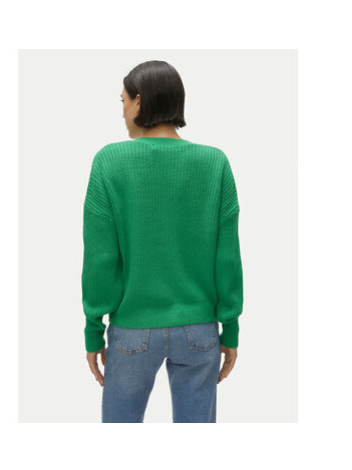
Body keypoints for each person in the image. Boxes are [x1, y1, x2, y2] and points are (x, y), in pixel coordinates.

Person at [81, 60, 244, 423]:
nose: (122, 111)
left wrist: (94, 330)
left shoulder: (109, 162)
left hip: (131, 330)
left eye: (123, 101)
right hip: (199, 330)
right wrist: (230, 329)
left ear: (139, 101)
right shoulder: (215, 163)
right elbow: (227, 257)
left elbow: (100, 259)